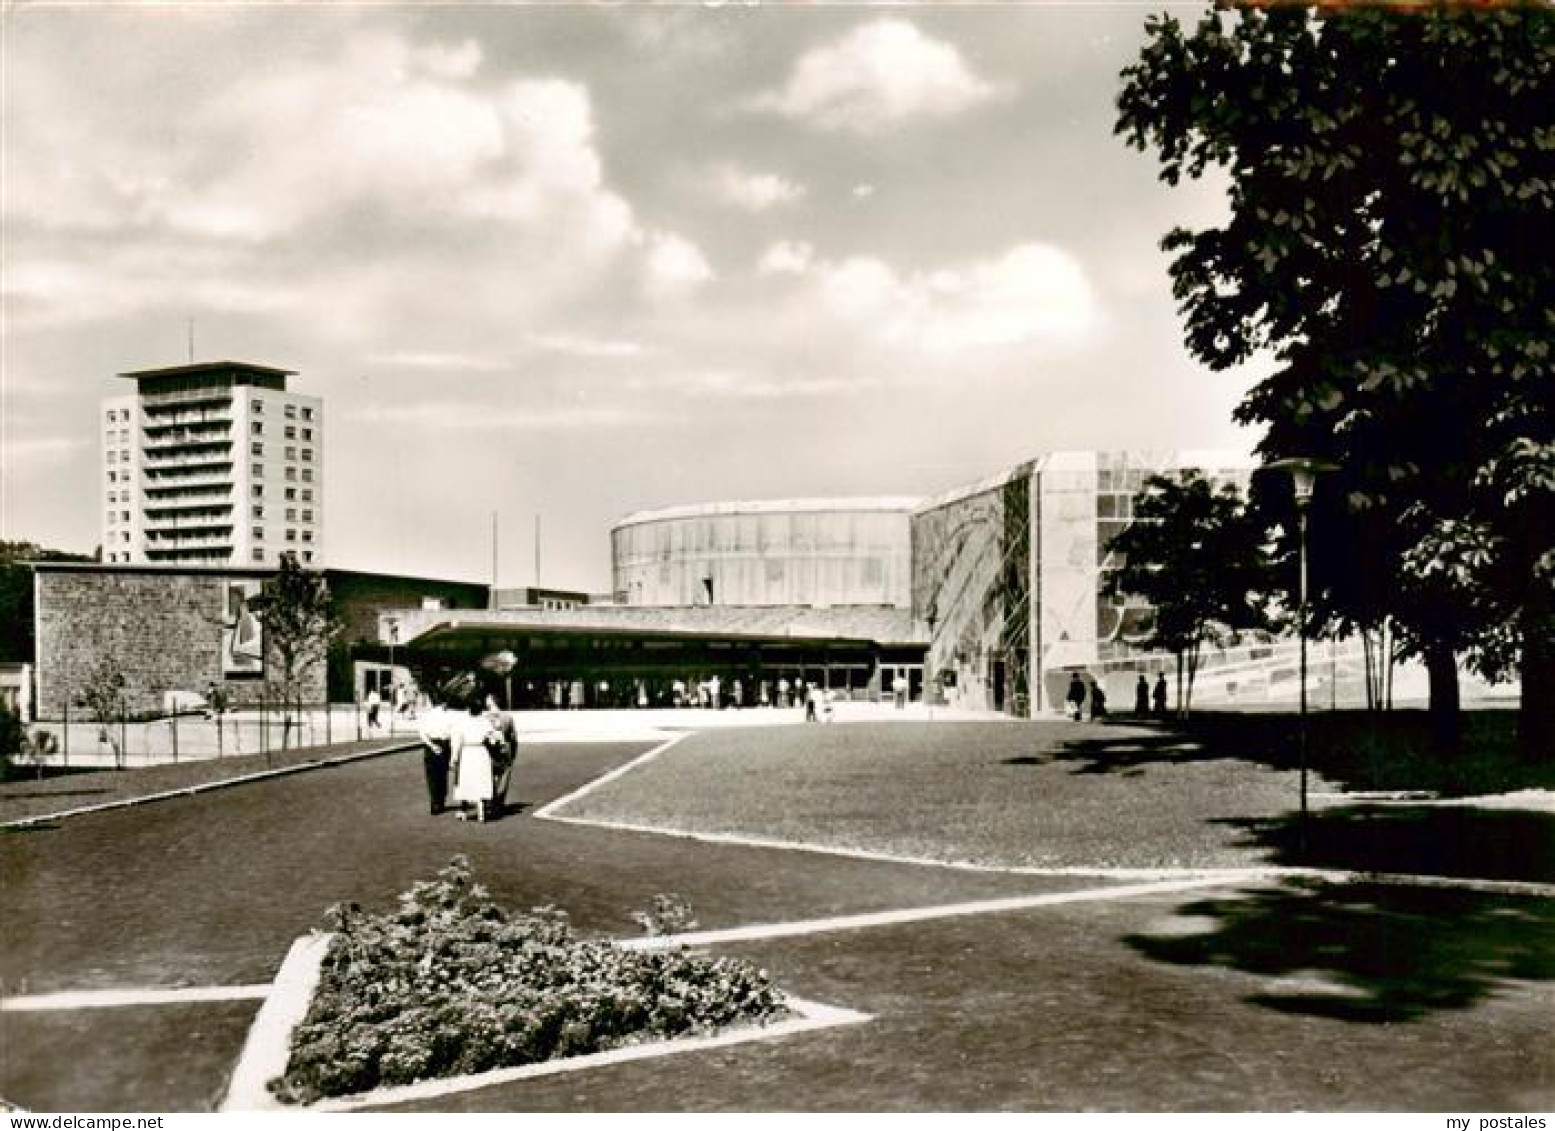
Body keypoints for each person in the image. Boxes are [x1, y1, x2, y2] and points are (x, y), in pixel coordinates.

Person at [450, 691, 499, 823]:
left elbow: (456, 741)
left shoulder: (462, 722)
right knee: (481, 778)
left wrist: (454, 757)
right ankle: (481, 806)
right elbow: (493, 739)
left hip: (467, 752)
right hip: (481, 752)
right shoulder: (485, 722)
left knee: (466, 779)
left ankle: (464, 810)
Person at [417, 690, 454, 816]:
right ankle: (440, 800)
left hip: (432, 745)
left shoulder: (428, 715)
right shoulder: (447, 715)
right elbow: (451, 732)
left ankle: (435, 802)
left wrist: (431, 745)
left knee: (432, 775)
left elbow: (422, 733)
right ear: (444, 703)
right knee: (442, 774)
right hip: (443, 744)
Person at [484, 693, 519, 818]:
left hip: (489, 751)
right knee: (503, 776)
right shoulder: (507, 717)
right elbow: (513, 737)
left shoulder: (485, 717)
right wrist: (514, 752)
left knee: (490, 776)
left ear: (491, 701)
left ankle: (489, 801)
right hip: (505, 750)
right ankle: (498, 803)